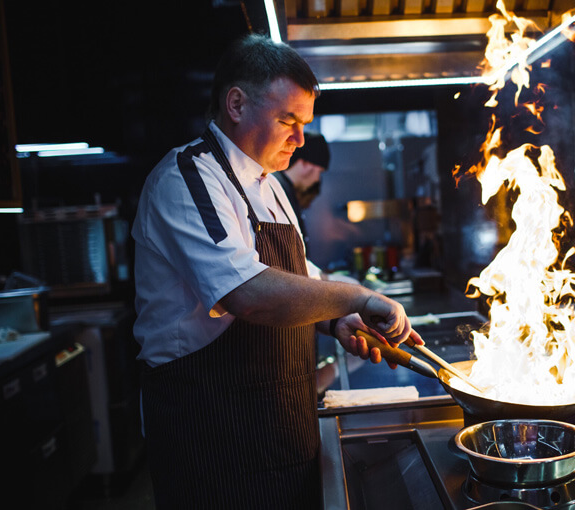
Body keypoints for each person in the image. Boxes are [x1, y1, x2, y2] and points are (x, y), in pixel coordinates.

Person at [131, 33, 423, 509]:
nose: (300, 138)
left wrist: (338, 321)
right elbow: (248, 293)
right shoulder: (188, 177)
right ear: (236, 103)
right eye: (288, 119)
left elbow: (301, 279)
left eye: (304, 122)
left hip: (281, 430)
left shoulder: (271, 186)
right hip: (211, 441)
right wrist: (356, 298)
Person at [274, 131, 329, 251]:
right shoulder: (278, 189)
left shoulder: (285, 189)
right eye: (319, 172)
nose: (317, 179)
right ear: (306, 163)